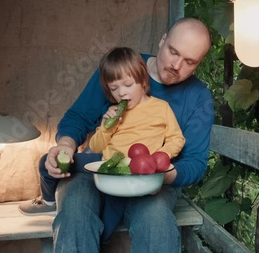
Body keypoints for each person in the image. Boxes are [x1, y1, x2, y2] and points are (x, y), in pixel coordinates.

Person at [27, 17, 213, 253]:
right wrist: (65, 145)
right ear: (162, 40)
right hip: (97, 167)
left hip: (152, 183)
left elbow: (195, 162)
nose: (176, 65)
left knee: (156, 223)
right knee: (75, 211)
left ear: (199, 63)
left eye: (189, 61)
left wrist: (157, 175)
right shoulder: (122, 68)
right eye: (173, 51)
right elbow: (79, 117)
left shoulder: (199, 97)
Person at [19, 47, 186, 215]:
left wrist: (159, 157)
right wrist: (106, 127)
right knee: (46, 162)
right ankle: (49, 202)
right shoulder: (112, 111)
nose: (121, 93)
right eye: (114, 89)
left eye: (128, 85)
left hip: (140, 170)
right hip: (107, 167)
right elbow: (96, 146)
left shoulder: (161, 108)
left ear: (143, 80)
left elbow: (176, 139)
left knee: (115, 214)